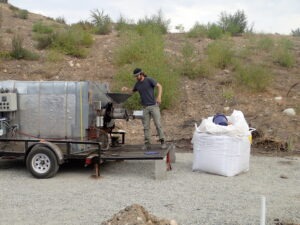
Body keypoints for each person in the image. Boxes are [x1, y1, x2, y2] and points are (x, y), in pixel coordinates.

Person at [122, 68, 167, 150]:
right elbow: (132, 91)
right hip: (145, 108)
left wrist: (159, 97)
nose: (136, 77)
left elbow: (159, 86)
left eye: (137, 75)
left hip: (154, 106)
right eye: (135, 76)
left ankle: (163, 141)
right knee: (146, 126)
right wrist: (126, 89)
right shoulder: (137, 84)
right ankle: (147, 144)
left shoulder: (149, 80)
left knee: (158, 124)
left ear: (141, 74)